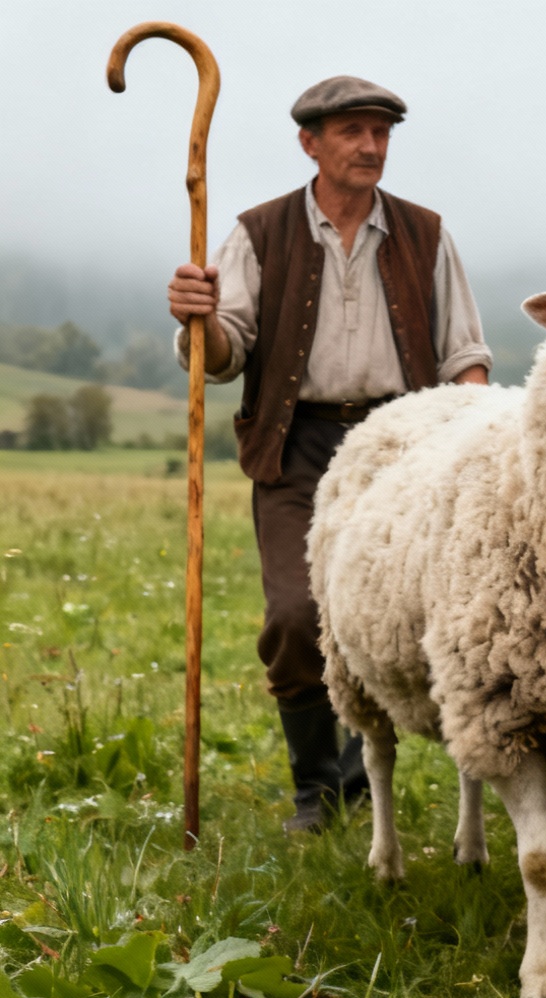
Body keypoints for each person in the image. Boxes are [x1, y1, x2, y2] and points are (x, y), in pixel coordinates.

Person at [166, 76, 492, 833]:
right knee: (294, 616)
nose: (371, 146)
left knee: (397, 619)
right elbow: (222, 356)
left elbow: (464, 356)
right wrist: (198, 319)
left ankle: (366, 774)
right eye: (352, 131)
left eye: (381, 133)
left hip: (405, 446)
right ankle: (318, 789)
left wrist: (472, 434)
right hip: (296, 443)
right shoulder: (258, 232)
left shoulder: (427, 234)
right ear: (310, 143)